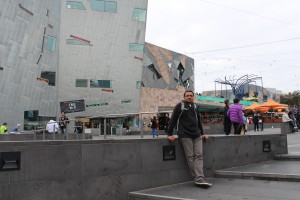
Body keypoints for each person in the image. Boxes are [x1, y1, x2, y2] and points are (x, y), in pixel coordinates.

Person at [166, 90, 212, 188]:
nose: (189, 97)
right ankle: (198, 178)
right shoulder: (180, 106)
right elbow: (173, 119)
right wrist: (169, 133)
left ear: (193, 97)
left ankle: (199, 178)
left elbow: (198, 121)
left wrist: (202, 133)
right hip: (185, 134)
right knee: (190, 156)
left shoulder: (195, 106)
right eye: (187, 96)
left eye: (191, 95)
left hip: (197, 134)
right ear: (184, 97)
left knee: (199, 155)